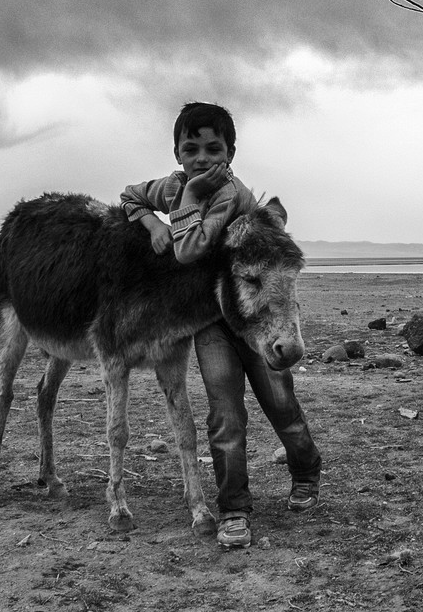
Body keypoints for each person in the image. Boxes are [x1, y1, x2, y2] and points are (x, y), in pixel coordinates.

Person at [119, 101, 321, 550]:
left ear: (230, 152)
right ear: (177, 153)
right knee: (224, 414)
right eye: (191, 149)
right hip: (211, 318)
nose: (202, 158)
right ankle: (234, 508)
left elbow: (190, 251)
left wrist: (189, 203)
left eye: (214, 148)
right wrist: (151, 220)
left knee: (280, 405)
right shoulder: (170, 186)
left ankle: (307, 471)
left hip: (254, 315)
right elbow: (129, 194)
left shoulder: (229, 193)